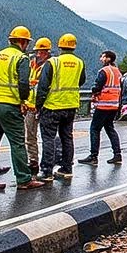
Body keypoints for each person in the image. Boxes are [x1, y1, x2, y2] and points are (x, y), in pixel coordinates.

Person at [0, 26, 48, 191]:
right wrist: (23, 99)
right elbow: (23, 83)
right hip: (10, 106)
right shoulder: (20, 58)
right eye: (27, 43)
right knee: (17, 143)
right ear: (22, 42)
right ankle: (24, 179)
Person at [35, 33, 85, 182]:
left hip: (52, 106)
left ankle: (47, 171)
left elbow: (43, 87)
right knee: (67, 137)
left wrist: (39, 106)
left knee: (48, 138)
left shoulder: (53, 62)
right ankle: (66, 168)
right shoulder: (79, 63)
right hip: (71, 106)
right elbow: (81, 81)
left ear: (60, 46)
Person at [78, 50, 123, 165]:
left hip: (103, 104)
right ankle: (117, 154)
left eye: (103, 57)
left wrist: (94, 91)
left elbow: (98, 86)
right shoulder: (117, 72)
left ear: (108, 58)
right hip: (114, 105)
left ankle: (93, 156)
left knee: (95, 129)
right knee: (110, 128)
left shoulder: (104, 71)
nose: (101, 59)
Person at [22, 37, 52, 175]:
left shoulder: (50, 65)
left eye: (40, 52)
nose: (37, 54)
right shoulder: (31, 64)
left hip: (45, 106)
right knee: (30, 136)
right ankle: (33, 162)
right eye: (37, 52)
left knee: (48, 137)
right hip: (30, 107)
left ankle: (49, 162)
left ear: (46, 52)